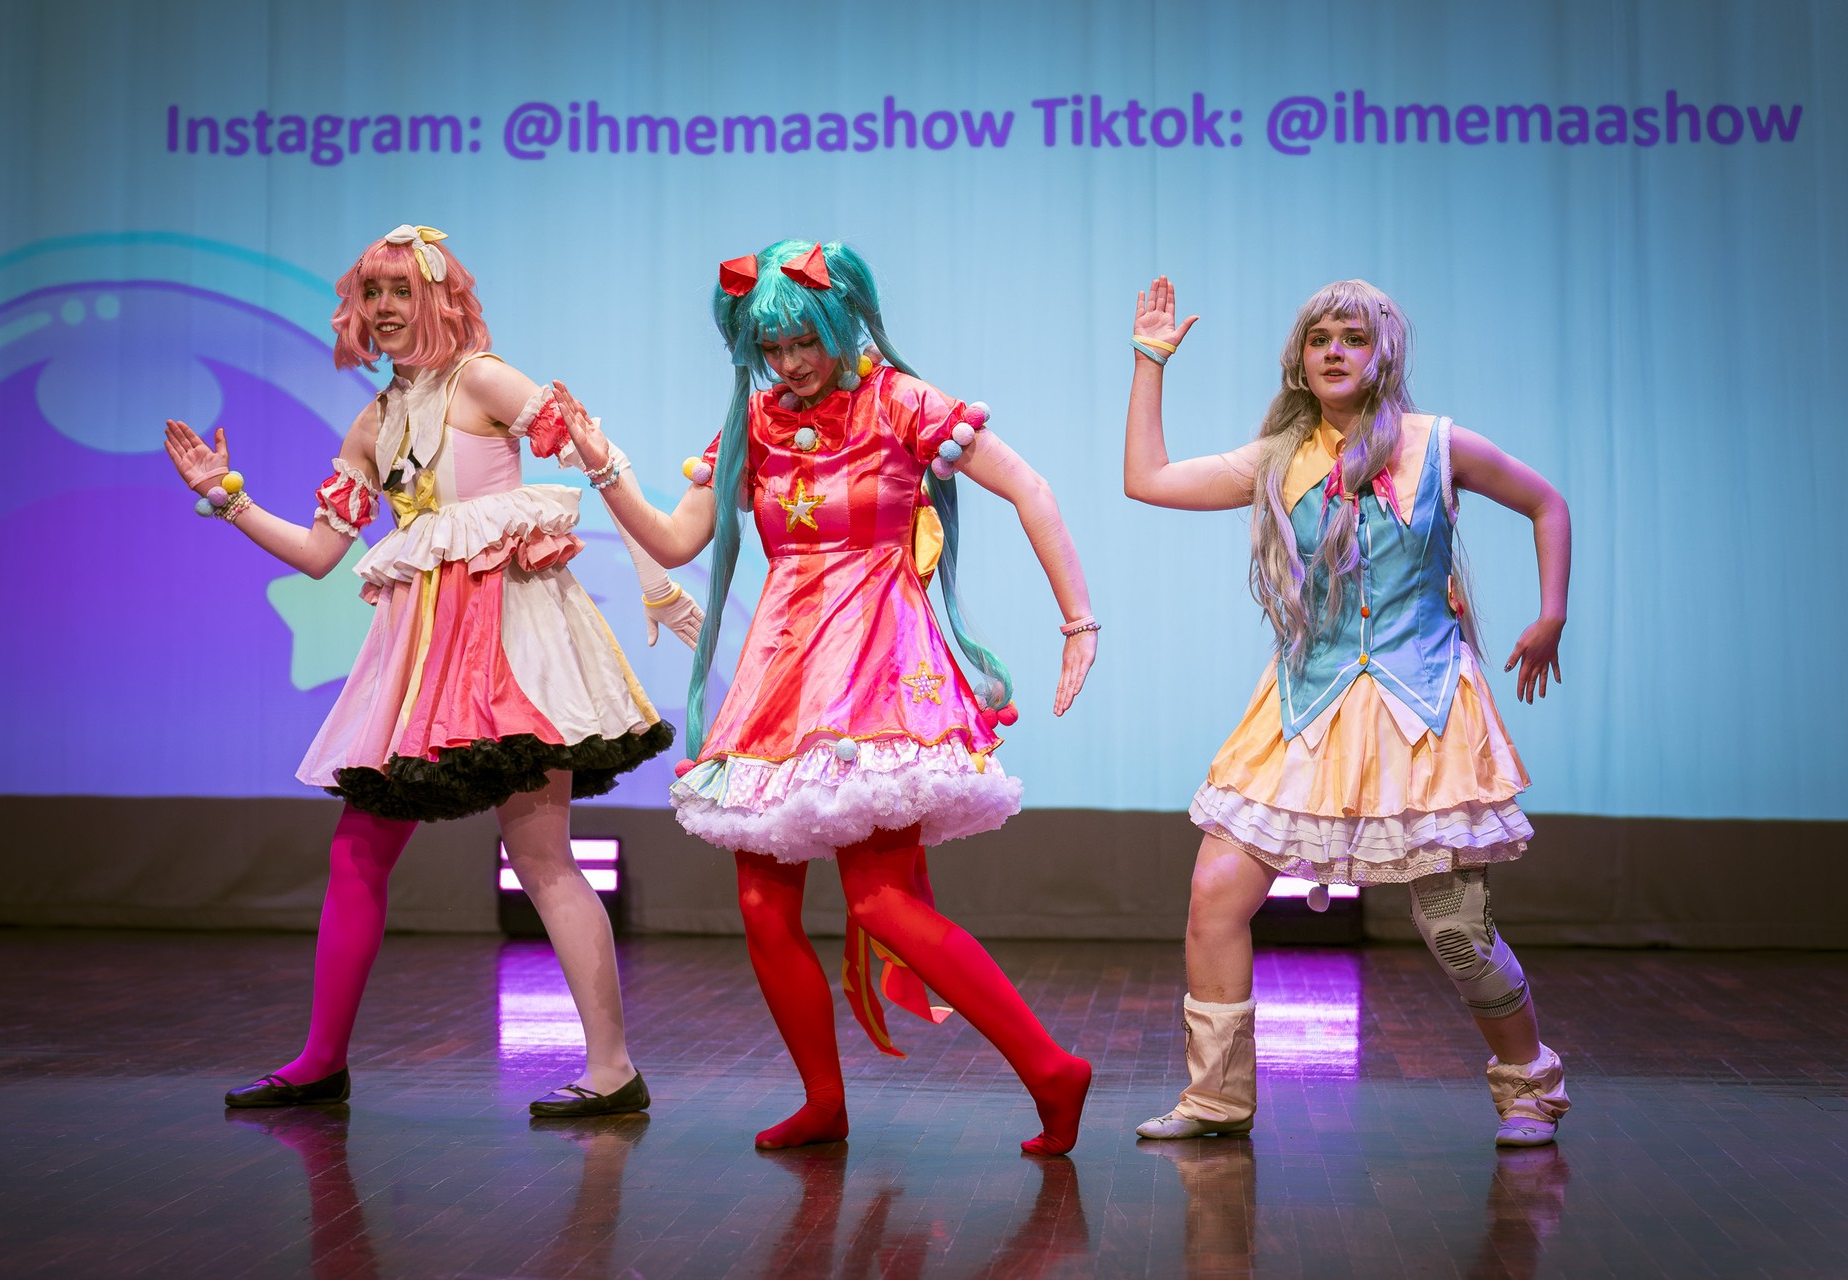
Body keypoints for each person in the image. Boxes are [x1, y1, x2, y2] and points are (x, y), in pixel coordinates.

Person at [547, 240, 1099, 1154]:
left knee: (880, 901)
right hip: (782, 676)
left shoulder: (901, 400)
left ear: (843, 322)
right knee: (763, 905)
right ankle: (823, 1100)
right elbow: (677, 540)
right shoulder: (755, 421)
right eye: (773, 348)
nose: (791, 362)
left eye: (805, 340)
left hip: (878, 668)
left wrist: (1078, 622)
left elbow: (1029, 488)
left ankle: (1051, 1069)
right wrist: (603, 464)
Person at [162, 224, 697, 1116]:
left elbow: (596, 459)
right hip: (419, 663)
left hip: (509, 646)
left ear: (439, 299)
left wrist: (658, 565)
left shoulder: (483, 380)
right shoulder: (373, 424)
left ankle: (613, 1068)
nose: (384, 308)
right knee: (357, 848)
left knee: (541, 855)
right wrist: (227, 497)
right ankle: (320, 1061)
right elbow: (320, 554)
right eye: (371, 293)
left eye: (401, 291)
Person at [1122, 276, 1573, 1147]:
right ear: (1299, 359)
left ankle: (1531, 1085)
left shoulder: (1439, 445)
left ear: (1383, 354)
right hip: (1307, 706)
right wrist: (1151, 361)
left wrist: (1550, 614)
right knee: (1215, 893)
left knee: (1455, 931)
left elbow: (1545, 502)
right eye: (1320, 337)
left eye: (1354, 338)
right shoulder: (1277, 459)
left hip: (1421, 712)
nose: (1335, 351)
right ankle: (1216, 1098)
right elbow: (1148, 480)